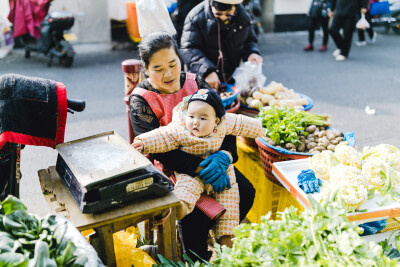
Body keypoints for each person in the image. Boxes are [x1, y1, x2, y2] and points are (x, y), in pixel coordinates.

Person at [128, 32, 255, 260]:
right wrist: (199, 169)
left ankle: (219, 237)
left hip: (212, 157)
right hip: (174, 168)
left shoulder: (195, 82)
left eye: (172, 64)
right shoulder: (142, 99)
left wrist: (225, 156)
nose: (168, 74)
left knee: (245, 192)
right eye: (158, 69)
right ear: (146, 69)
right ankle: (197, 257)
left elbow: (222, 120)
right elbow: (158, 149)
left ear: (180, 59)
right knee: (194, 216)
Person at [132, 89, 264, 247]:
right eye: (192, 116)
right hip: (191, 173)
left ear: (216, 120)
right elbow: (162, 136)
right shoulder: (180, 129)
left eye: (203, 118)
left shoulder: (225, 123)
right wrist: (143, 142)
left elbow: (243, 124)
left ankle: (226, 239)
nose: (195, 122)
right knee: (186, 189)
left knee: (230, 201)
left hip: (221, 172)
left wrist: (263, 129)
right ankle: (178, 207)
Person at [180, 0, 262, 89]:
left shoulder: (243, 15)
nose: (223, 18)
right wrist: (207, 71)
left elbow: (250, 40)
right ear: (211, 6)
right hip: (203, 80)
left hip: (231, 78)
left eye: (228, 15)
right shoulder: (196, 17)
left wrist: (252, 52)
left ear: (235, 7)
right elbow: (188, 49)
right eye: (218, 14)